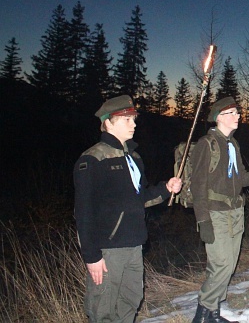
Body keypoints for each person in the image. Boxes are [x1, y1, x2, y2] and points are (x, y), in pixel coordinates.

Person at [73, 95, 182, 323]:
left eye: (134, 119)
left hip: (134, 243)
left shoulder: (134, 157)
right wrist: (91, 256)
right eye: (127, 120)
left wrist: (165, 188)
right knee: (103, 310)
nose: (134, 124)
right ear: (109, 123)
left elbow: (140, 198)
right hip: (108, 249)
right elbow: (84, 212)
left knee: (131, 301)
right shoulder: (93, 159)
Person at [190, 97, 249, 323]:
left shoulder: (233, 144)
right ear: (219, 117)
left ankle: (213, 314)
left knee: (229, 265)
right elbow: (197, 185)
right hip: (215, 213)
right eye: (232, 112)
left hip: (235, 212)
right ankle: (202, 315)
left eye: (237, 112)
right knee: (220, 265)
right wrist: (203, 220)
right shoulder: (206, 144)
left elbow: (240, 179)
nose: (238, 116)